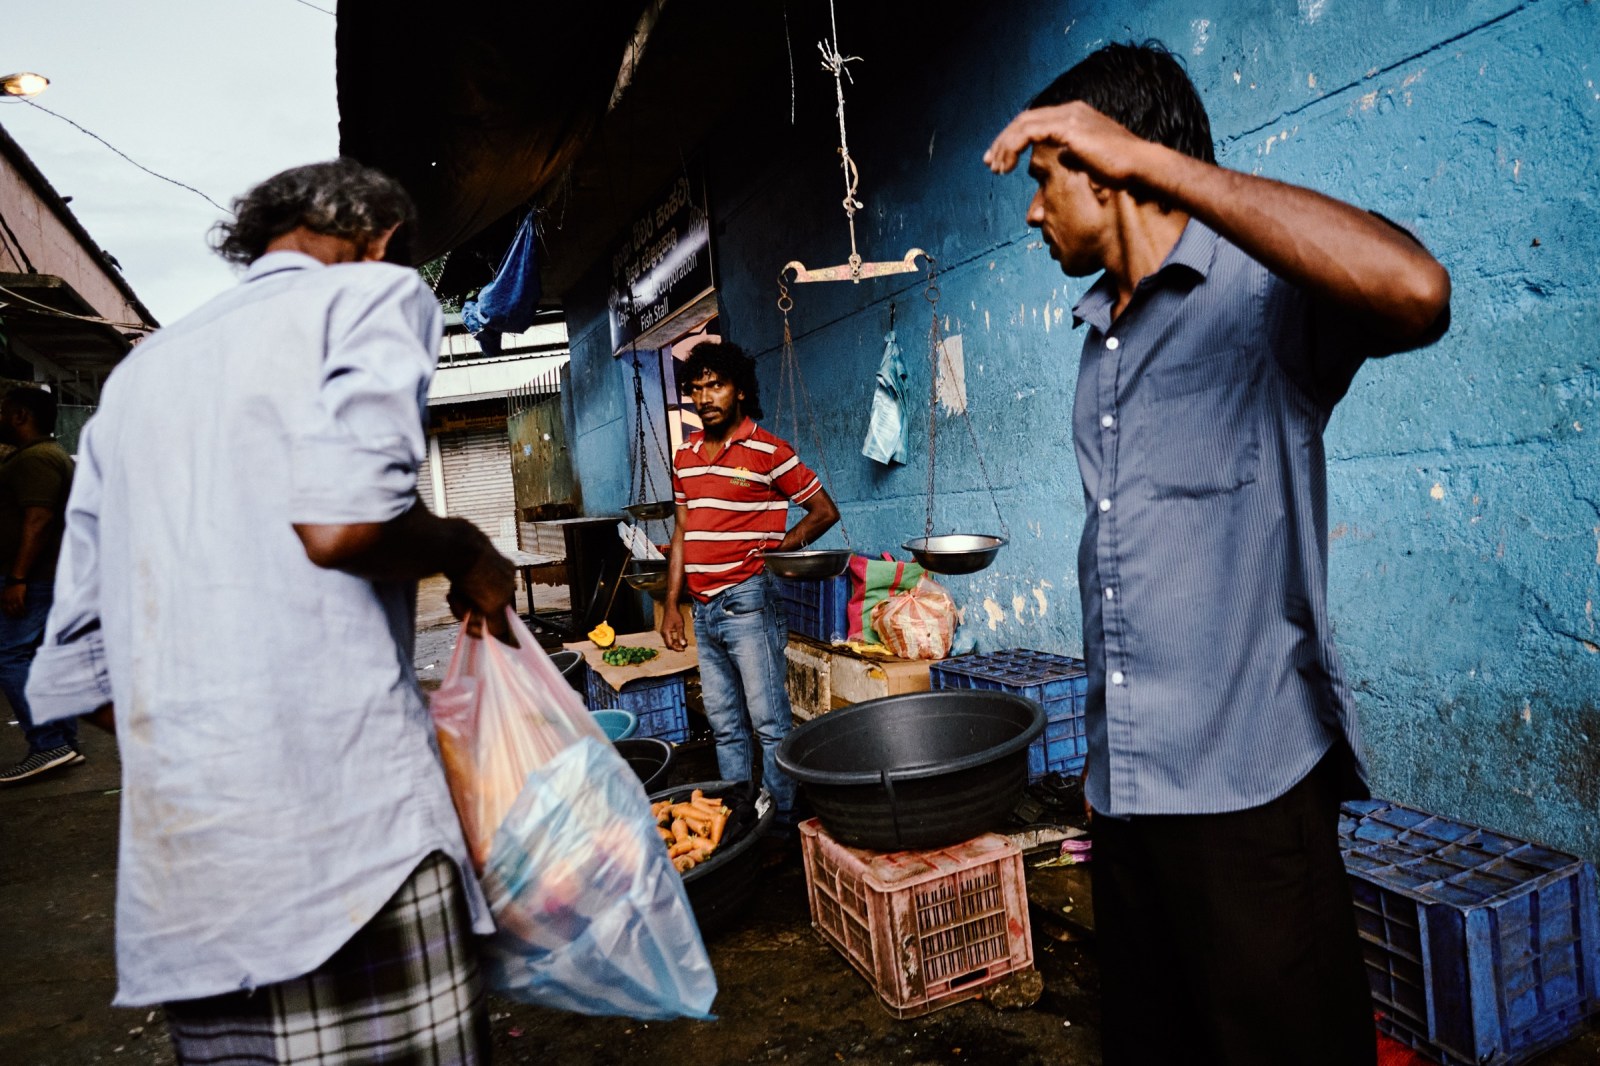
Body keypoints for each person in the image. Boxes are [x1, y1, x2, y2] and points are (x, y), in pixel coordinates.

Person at [985, 42, 1451, 1066]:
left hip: (1251, 799)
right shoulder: (1097, 335)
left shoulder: (1261, 300)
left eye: (1043, 180)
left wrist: (1167, 168)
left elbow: (1417, 289)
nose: (1031, 213)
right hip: (1126, 795)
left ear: (1110, 164)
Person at [24, 159, 515, 1065]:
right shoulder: (370, 297)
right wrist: (464, 550)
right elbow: (343, 523)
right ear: (379, 238)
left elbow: (81, 671)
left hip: (194, 882)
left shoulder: (137, 380)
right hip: (353, 855)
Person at [659, 340, 839, 837]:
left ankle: (780, 826)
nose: (705, 398)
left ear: (739, 390)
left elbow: (824, 510)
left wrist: (779, 549)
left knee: (769, 724)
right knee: (725, 725)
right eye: (696, 389)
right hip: (703, 608)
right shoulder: (686, 457)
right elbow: (681, 533)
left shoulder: (768, 450)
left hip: (748, 601)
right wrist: (671, 605)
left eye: (715, 385)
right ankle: (740, 825)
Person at [0, 386, 78, 784]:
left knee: (11, 655)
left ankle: (48, 743)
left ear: (20, 416)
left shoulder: (37, 460)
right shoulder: (42, 456)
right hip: (44, 577)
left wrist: (18, 577)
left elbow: (39, 520)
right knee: (44, 656)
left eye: (4, 410)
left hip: (35, 579)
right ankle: (61, 741)